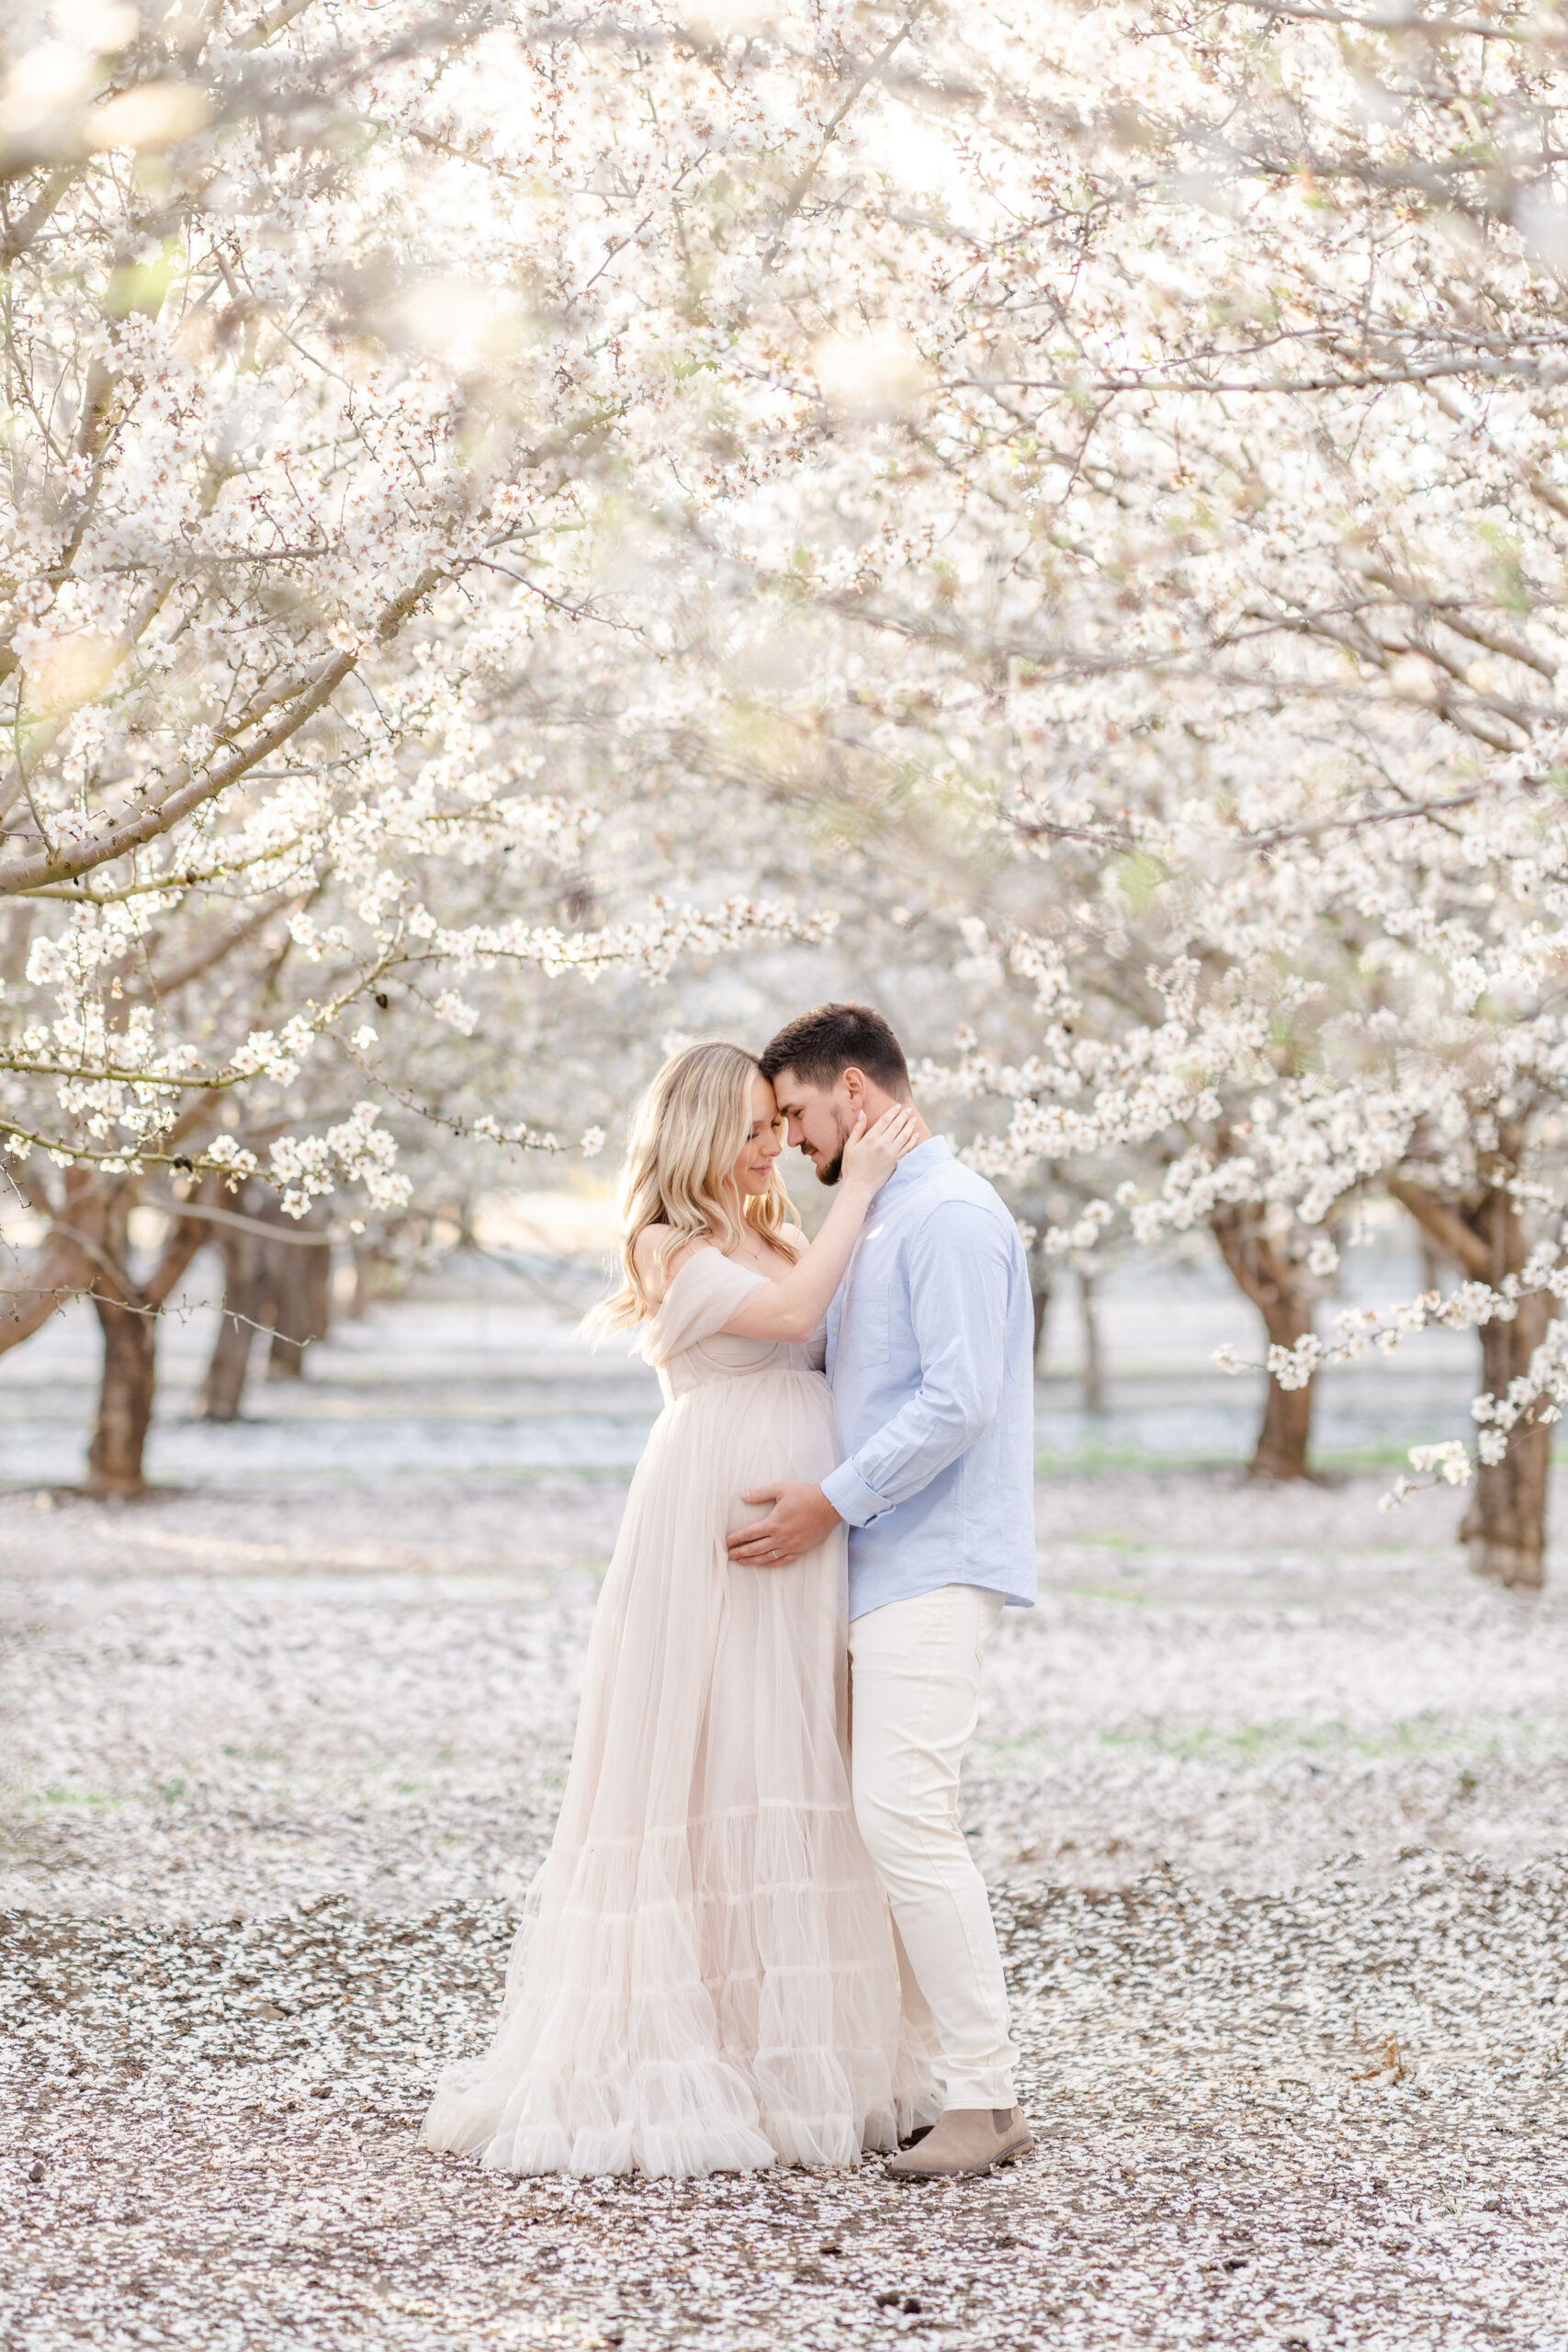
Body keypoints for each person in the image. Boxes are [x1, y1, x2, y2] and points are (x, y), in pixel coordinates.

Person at [421, 1040, 938, 2178]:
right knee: (724, 1756)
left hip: (813, 1522)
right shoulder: (670, 1244)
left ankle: (819, 2058)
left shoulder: (782, 1224)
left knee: (805, 1756)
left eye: (775, 1125)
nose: (772, 1147)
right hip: (716, 1517)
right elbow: (799, 1309)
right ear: (702, 1133)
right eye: (753, 1129)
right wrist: (863, 1189)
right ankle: (710, 2051)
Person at [728, 1003, 1037, 2180]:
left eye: (796, 1113)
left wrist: (831, 1499)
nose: (792, 1141)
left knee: (907, 1819)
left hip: (932, 1557)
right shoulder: (888, 1214)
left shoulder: (949, 1217)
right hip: (883, 1564)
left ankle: (988, 2096)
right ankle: (936, 2078)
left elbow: (958, 1402)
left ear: (851, 1095)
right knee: (889, 1822)